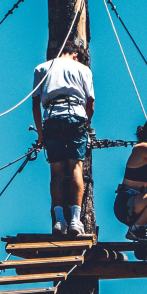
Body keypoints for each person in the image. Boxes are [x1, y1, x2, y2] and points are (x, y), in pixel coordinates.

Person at [31, 36, 95, 235]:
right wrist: (86, 123)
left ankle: (59, 221)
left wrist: (40, 135)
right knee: (75, 167)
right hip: (75, 115)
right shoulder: (83, 69)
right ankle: (75, 221)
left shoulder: (41, 68)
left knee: (56, 172)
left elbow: (35, 103)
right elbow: (90, 103)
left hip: (51, 117)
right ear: (75, 54)